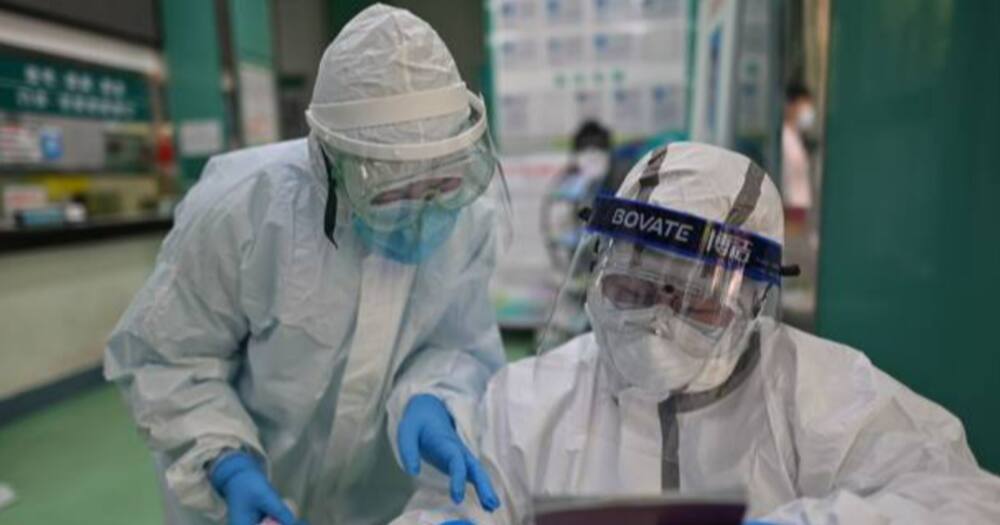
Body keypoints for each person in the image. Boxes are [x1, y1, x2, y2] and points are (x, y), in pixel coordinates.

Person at [391, 142, 1000, 524]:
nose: (656, 321)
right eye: (632, 288)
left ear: (754, 300)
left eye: (694, 301)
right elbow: (451, 506)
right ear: (598, 272)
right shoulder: (528, 399)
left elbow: (966, 499)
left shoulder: (819, 391)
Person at [105, 5, 508, 524]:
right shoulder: (241, 210)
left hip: (376, 499)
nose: (424, 210)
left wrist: (435, 400)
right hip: (246, 498)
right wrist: (227, 464)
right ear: (330, 165)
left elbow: (459, 344)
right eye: (396, 191)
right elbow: (168, 358)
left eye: (443, 184)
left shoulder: (470, 218)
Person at [781, 84, 814, 218]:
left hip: (798, 212)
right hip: (788, 211)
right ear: (792, 106)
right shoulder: (784, 138)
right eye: (804, 105)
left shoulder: (797, 137)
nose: (808, 111)